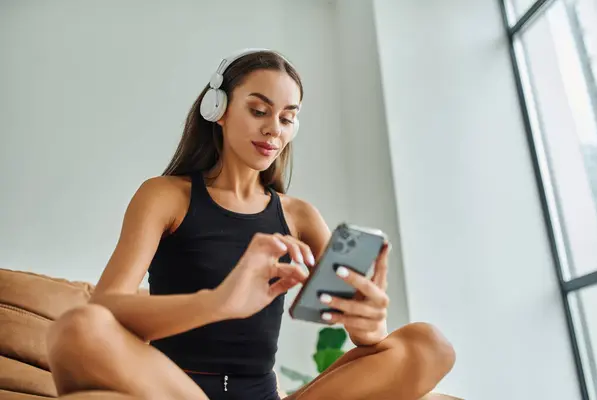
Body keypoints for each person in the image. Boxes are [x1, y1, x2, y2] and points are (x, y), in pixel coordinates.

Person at [45, 49, 456, 400]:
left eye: (287, 117)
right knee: (78, 328)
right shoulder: (166, 196)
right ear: (217, 110)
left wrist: (370, 327)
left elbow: (357, 329)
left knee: (430, 345)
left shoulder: (300, 216)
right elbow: (106, 306)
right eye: (259, 110)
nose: (273, 129)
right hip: (175, 389)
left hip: (262, 393)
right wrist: (220, 302)